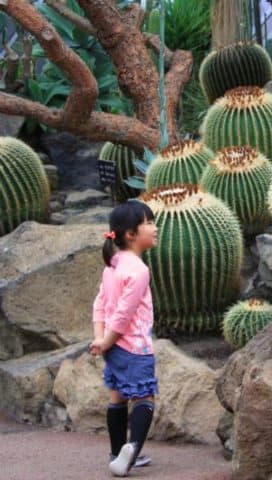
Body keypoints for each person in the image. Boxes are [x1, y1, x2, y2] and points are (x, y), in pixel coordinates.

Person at [89, 201, 159, 477]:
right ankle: (131, 450)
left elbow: (100, 305)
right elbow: (123, 314)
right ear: (130, 234)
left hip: (113, 348)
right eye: (149, 223)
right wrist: (106, 339)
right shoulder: (139, 270)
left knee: (117, 396)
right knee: (145, 397)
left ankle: (116, 451)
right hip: (135, 347)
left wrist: (101, 339)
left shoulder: (112, 265)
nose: (155, 228)